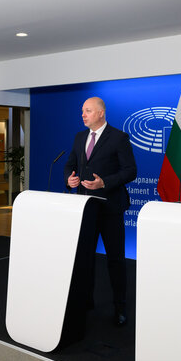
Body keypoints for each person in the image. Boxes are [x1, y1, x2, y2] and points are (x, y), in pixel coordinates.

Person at [64, 97, 137, 326]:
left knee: (115, 259)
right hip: (85, 208)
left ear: (101, 113)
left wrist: (104, 182)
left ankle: (119, 307)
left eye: (87, 111)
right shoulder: (79, 137)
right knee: (84, 258)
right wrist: (70, 179)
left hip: (110, 208)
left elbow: (130, 171)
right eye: (82, 111)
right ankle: (86, 300)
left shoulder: (118, 137)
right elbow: (70, 164)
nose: (83, 115)